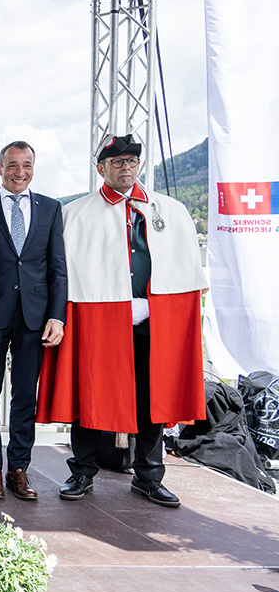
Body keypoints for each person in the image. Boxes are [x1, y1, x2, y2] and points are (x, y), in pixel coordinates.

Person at [37, 134, 205, 507]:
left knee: (152, 398)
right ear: (102, 168)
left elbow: (189, 275)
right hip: (98, 318)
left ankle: (148, 476)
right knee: (91, 391)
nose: (125, 167)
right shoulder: (77, 213)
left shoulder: (170, 210)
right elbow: (62, 272)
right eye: (117, 162)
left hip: (154, 321)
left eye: (131, 161)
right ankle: (82, 470)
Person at [0, 141, 67, 500]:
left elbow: (58, 269)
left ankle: (18, 469)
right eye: (12, 165)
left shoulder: (51, 209)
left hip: (35, 317)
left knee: (26, 396)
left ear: (33, 168)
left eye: (26, 165)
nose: (20, 172)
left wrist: (57, 317)